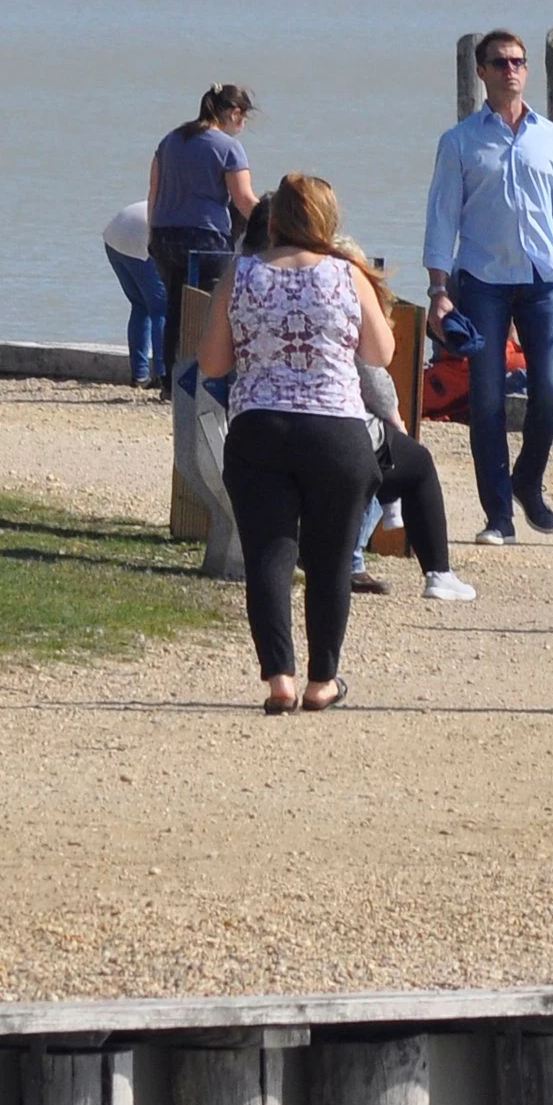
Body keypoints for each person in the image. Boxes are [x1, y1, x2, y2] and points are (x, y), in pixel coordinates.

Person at [198, 173, 395, 714]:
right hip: (335, 431)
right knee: (330, 560)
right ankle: (322, 680)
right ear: (328, 221)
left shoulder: (242, 274)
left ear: (276, 219)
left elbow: (213, 363)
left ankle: (278, 677)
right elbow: (381, 352)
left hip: (260, 426)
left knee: (269, 553)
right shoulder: (347, 274)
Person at [424, 31, 553, 542]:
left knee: (550, 392)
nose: (512, 70)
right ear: (481, 71)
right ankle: (498, 514)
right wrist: (439, 289)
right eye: (500, 62)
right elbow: (442, 218)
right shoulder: (459, 142)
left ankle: (527, 479)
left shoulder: (552, 138)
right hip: (482, 282)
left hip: (545, 281)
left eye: (519, 62)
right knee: (486, 400)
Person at [344, 359, 478, 604]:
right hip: (338, 426)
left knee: (387, 454)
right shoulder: (349, 319)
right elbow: (374, 377)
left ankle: (353, 555)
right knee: (416, 462)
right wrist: (396, 421)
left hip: (263, 422)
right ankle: (439, 573)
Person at [147, 85, 260, 375]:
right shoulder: (228, 147)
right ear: (235, 113)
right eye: (243, 117)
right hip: (205, 237)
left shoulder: (170, 140)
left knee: (176, 307)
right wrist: (276, 226)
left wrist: (152, 235)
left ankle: (171, 380)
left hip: (164, 235)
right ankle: (202, 379)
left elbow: (154, 191)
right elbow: (244, 200)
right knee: (209, 309)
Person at [102, 200, 168, 387]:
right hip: (139, 238)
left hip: (114, 237)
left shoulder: (182, 204)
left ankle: (139, 374)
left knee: (140, 306)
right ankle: (162, 375)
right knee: (161, 310)